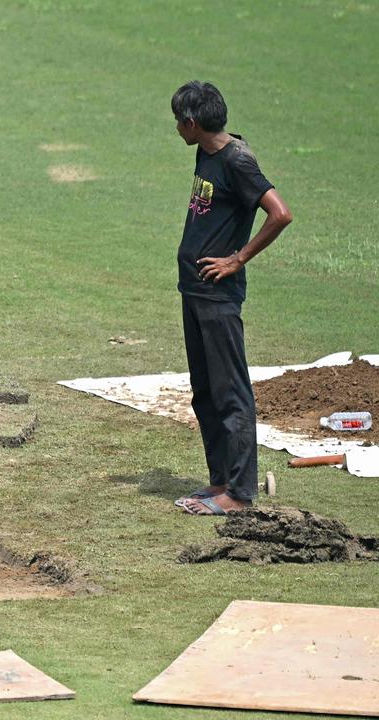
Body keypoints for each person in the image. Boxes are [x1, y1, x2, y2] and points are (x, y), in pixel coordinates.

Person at [170, 81, 292, 515]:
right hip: (195, 289)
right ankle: (220, 481)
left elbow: (281, 213)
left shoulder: (238, 160)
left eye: (178, 122)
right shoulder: (207, 151)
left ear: (192, 122)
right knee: (205, 391)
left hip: (218, 297)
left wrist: (238, 259)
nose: (176, 130)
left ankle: (239, 495)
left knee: (231, 393)